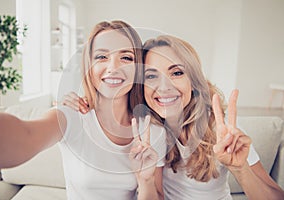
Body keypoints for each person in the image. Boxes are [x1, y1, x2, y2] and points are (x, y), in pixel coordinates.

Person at [64, 35, 284, 199]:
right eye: (151, 76)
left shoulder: (222, 131)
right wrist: (85, 101)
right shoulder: (147, 130)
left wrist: (240, 168)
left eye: (176, 73)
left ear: (194, 81)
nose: (164, 87)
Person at [0, 20, 167, 200]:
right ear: (89, 66)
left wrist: (145, 180)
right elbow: (26, 135)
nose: (112, 68)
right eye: (101, 57)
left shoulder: (153, 131)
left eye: (126, 57)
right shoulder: (70, 116)